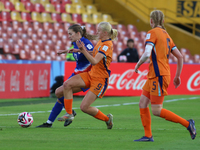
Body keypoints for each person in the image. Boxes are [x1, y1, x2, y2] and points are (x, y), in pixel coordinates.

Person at [134, 10, 196, 141]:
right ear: (162, 21)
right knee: (142, 103)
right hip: (156, 75)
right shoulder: (167, 35)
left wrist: (138, 65)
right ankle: (148, 135)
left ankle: (188, 124)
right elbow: (180, 56)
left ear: (151, 21)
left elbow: (146, 54)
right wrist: (177, 76)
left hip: (159, 75)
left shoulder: (152, 33)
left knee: (156, 110)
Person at [57, 22, 118, 129]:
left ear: (104, 32)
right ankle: (69, 114)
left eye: (99, 30)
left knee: (84, 107)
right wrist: (77, 50)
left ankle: (107, 119)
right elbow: (94, 52)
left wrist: (83, 50)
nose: (97, 32)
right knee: (67, 84)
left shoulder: (107, 45)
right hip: (91, 74)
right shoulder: (101, 41)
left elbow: (94, 61)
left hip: (100, 79)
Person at [36, 24, 94, 127]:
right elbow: (76, 51)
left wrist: (82, 50)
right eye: (68, 34)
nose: (69, 36)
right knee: (59, 93)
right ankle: (61, 116)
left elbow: (94, 53)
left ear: (78, 33)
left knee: (62, 91)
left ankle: (66, 115)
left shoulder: (86, 43)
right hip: (76, 74)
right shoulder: (76, 43)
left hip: (85, 76)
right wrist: (65, 51)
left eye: (70, 34)